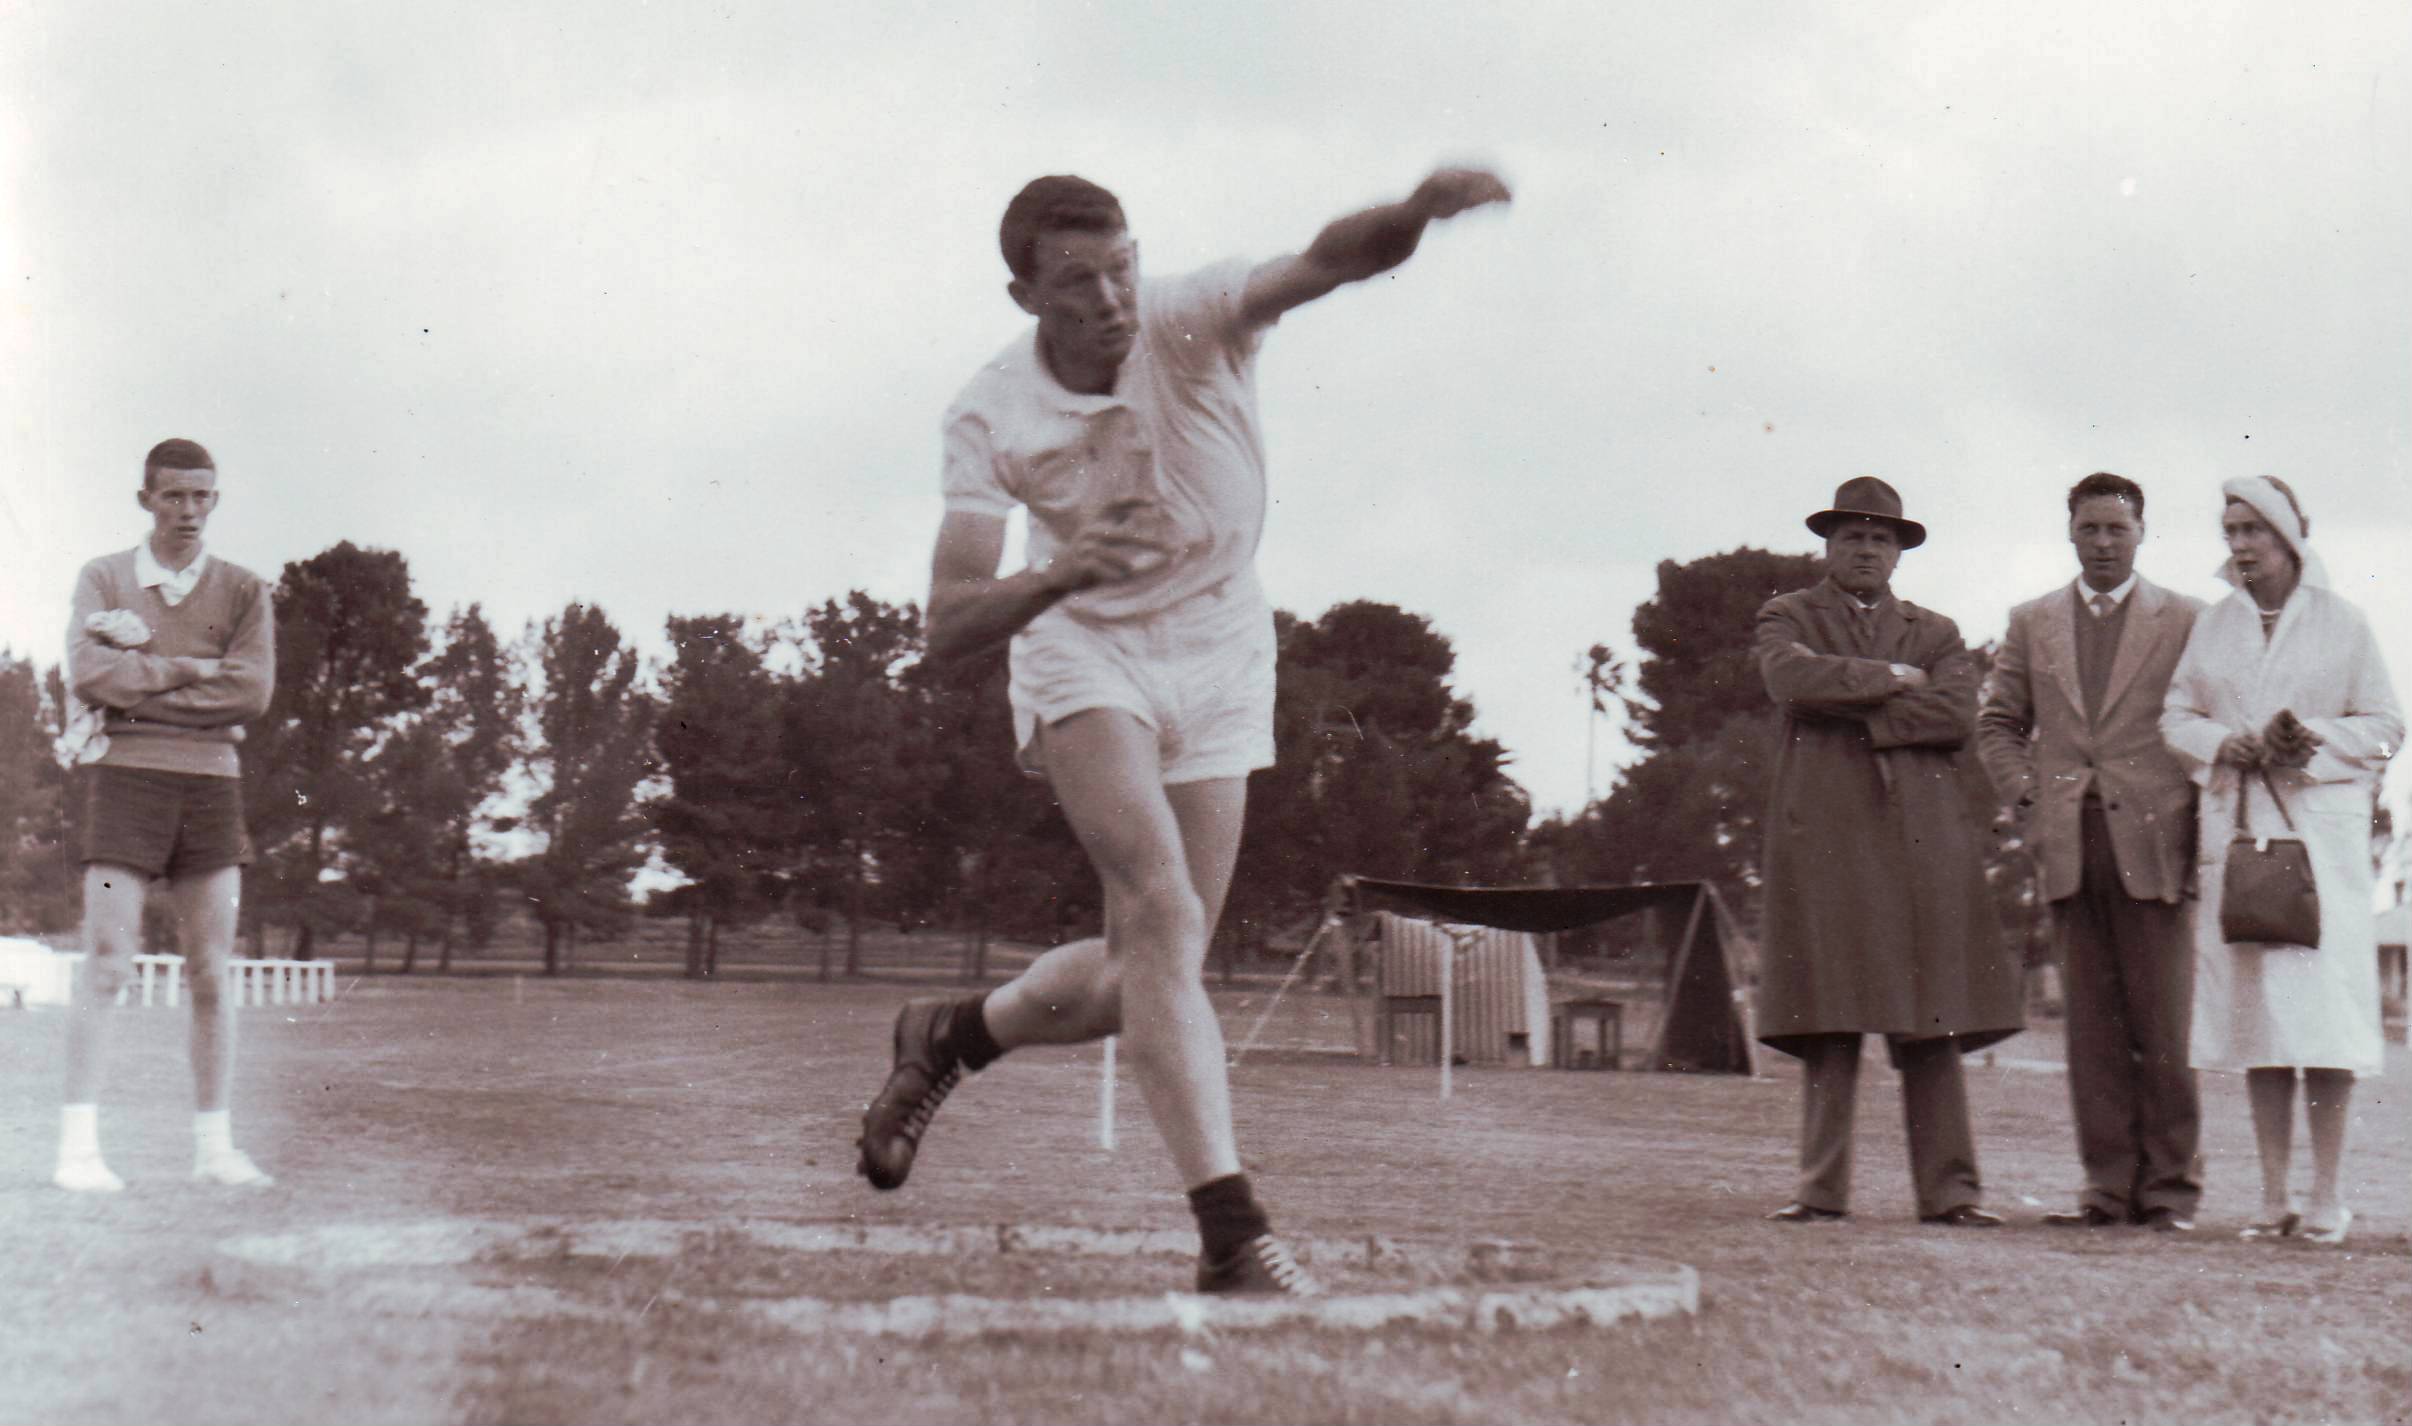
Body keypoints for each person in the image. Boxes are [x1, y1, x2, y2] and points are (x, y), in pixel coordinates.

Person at [853, 167, 1512, 1293]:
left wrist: (1411, 212)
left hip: (1220, 645)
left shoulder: (1191, 312)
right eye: (1076, 283)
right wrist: (1060, 572)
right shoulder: (988, 410)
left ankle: (952, 1034)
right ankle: (1232, 1229)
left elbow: (1328, 260)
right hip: (1085, 648)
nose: (1111, 299)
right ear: (1023, 296)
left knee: (1154, 967)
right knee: (1160, 914)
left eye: (1122, 268)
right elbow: (949, 619)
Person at [1753, 476, 2024, 1227]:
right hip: (1826, 843)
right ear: (1828, 546)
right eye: (1852, 536)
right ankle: (1819, 1192)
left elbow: (1955, 712)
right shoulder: (1787, 614)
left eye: (1881, 538)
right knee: (1829, 1021)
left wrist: (1857, 705)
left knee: (1930, 1021)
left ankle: (1952, 1195)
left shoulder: (1935, 632)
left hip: (1919, 844)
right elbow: (1790, 679)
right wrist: (1889, 681)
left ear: (1899, 552)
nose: (1866, 549)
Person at [2161, 475, 2401, 1246]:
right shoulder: (2215, 625)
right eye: (2228, 531)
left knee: (2322, 1024)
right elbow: (2177, 713)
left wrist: (2312, 742)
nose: (2237, 546)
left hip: (2322, 849)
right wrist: (2217, 744)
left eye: (2251, 531)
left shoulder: (2345, 623)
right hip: (2241, 838)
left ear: (2290, 537)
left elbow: (2387, 724)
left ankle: (2328, 1198)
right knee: (2259, 1019)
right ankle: (2272, 1198)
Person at [1976, 472, 2204, 1232]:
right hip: (2069, 848)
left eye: (2118, 529)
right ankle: (2105, 1190)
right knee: (2091, 1034)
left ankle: (2171, 1193)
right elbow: (1998, 724)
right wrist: (2031, 803)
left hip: (2159, 848)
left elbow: (2204, 725)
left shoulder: (2187, 620)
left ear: (2143, 533)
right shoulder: (2033, 621)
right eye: (2090, 529)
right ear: (2069, 532)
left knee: (2165, 1030)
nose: (2103, 543)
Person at [54, 438, 278, 1192]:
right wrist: (193, 671)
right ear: (146, 498)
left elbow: (251, 694)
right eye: (174, 496)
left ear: (215, 500)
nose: (188, 511)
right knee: (108, 962)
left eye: (202, 496)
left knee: (213, 971)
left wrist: (139, 686)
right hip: (123, 779)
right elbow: (88, 672)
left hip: (213, 785)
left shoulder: (245, 590)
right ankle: (77, 1151)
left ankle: (214, 1150)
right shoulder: (105, 577)